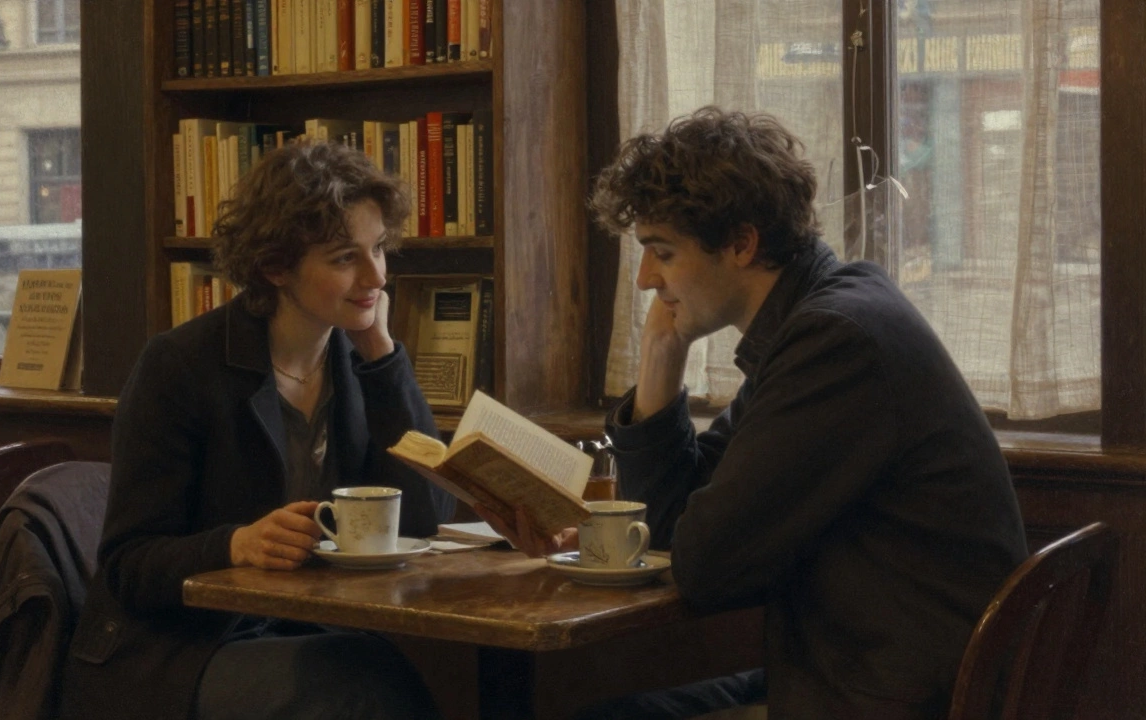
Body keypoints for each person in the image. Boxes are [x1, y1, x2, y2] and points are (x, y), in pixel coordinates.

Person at [492, 107, 1029, 720]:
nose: (644, 279)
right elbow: (677, 528)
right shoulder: (819, 320)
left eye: (662, 252)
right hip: (859, 675)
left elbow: (703, 566)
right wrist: (660, 367)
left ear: (741, 243)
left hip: (891, 697)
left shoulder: (835, 342)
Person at [59, 140, 456, 720]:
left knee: (394, 677)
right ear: (276, 267)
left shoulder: (357, 361)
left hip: (306, 631)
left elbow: (424, 518)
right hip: (177, 651)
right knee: (360, 689)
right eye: (346, 258)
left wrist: (382, 355)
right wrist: (235, 544)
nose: (376, 276)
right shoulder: (179, 365)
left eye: (379, 249)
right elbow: (129, 564)